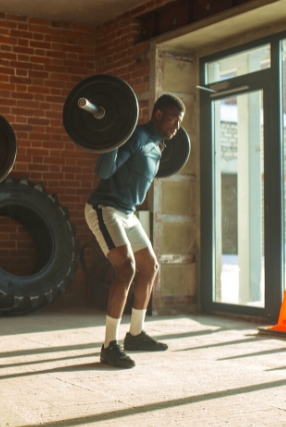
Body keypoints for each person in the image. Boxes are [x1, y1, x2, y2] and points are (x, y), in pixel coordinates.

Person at [84, 93, 185, 369]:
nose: (177, 126)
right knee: (126, 268)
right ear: (159, 114)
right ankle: (109, 345)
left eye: (180, 122)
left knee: (150, 267)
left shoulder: (157, 144)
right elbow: (105, 171)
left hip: (127, 212)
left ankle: (136, 334)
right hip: (104, 208)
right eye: (174, 119)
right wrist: (114, 137)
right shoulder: (136, 137)